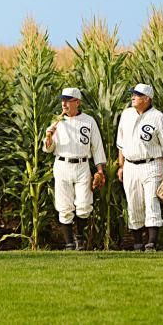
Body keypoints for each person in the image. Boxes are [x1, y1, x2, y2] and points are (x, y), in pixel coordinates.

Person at [116, 83, 163, 252]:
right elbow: (120, 143)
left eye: (137, 95)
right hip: (130, 165)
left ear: (147, 99)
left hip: (151, 164)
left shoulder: (159, 117)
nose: (133, 97)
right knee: (133, 202)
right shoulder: (126, 114)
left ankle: (151, 242)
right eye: (133, 94)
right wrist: (121, 166)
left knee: (151, 201)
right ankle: (137, 242)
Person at [43, 87, 106, 251]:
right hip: (62, 164)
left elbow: (97, 147)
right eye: (62, 100)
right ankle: (70, 243)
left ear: (77, 102)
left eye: (68, 100)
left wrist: (100, 170)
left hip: (82, 165)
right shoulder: (57, 122)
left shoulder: (89, 121)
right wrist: (48, 137)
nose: (64, 103)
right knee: (64, 206)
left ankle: (80, 238)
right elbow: (49, 149)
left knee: (84, 205)